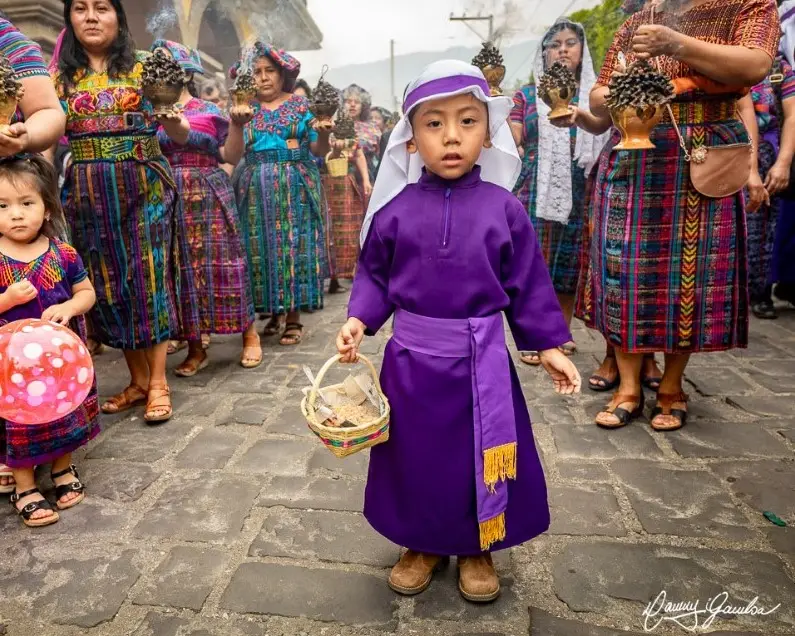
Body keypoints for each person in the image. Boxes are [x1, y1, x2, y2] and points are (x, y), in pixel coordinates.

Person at [336, 60, 580, 603]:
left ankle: (476, 545)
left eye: (467, 121)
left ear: (487, 132)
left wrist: (548, 345)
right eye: (434, 124)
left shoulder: (506, 210)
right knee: (415, 456)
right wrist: (358, 320)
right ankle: (420, 543)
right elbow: (375, 275)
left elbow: (527, 284)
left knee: (476, 454)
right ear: (409, 139)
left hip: (481, 364)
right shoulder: (394, 212)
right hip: (411, 366)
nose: (451, 136)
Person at [577, 0, 778, 430]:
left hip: (703, 154)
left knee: (690, 275)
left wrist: (676, 46)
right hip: (633, 150)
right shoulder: (635, 21)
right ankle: (628, 386)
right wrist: (631, 93)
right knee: (624, 272)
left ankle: (671, 385)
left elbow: (755, 65)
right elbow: (599, 93)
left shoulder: (748, 7)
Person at [53, 0, 198, 423]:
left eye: (102, 7)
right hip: (86, 193)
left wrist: (172, 117)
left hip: (144, 184)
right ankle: (136, 381)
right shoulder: (59, 77)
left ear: (119, 16)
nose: (91, 17)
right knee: (107, 284)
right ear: (70, 20)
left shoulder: (145, 67)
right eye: (80, 9)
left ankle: (158, 383)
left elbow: (181, 131)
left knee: (147, 278)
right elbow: (48, 137)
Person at [0, 155, 98, 527]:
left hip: (60, 363)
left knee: (64, 413)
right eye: (3, 206)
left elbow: (87, 292)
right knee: (18, 422)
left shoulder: (63, 254)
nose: (16, 214)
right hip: (13, 371)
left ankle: (61, 467)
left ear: (46, 207)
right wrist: (7, 300)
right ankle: (23, 486)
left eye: (27, 203)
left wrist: (71, 307)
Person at [151, 40, 258, 374]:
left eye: (166, 64)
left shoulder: (209, 111)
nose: (159, 70)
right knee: (180, 268)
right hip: (167, 192)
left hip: (208, 189)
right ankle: (196, 347)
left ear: (184, 72)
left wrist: (238, 124)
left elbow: (231, 156)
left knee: (227, 262)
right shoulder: (147, 112)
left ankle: (249, 334)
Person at [510, 19, 607, 366]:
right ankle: (533, 335)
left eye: (570, 43)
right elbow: (516, 138)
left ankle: (560, 332)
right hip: (535, 188)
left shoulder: (596, 96)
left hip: (582, 189)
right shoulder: (526, 94)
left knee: (569, 265)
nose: (562, 49)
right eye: (554, 44)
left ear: (582, 52)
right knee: (533, 265)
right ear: (544, 53)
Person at [224, 42, 332, 345]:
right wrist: (236, 122)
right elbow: (233, 155)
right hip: (254, 187)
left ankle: (294, 318)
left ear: (282, 73)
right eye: (256, 72)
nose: (263, 77)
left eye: (269, 70)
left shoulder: (301, 107)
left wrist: (323, 132)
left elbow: (318, 150)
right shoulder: (243, 108)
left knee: (294, 246)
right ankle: (271, 310)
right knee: (259, 249)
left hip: (296, 185)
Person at [740, 53, 795, 320]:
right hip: (727, 154)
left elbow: (792, 115)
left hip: (767, 155)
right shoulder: (728, 59)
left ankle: (760, 292)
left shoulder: (778, 68)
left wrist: (783, 163)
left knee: (764, 229)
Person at [343, 84, 382, 182]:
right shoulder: (335, 125)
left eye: (357, 102)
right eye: (348, 101)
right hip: (341, 176)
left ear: (363, 106)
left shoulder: (372, 127)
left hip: (366, 177)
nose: (352, 105)